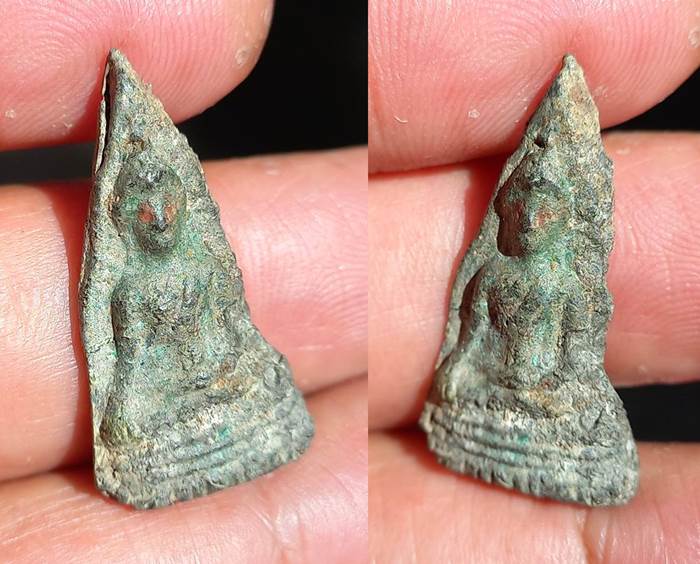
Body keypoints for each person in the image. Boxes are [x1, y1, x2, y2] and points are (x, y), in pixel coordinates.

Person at [0, 1, 367, 561]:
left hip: (218, 378)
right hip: (164, 402)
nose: (159, 218)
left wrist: (247, 366)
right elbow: (129, 367)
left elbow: (231, 333)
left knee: (264, 379)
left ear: (182, 202)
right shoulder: (129, 290)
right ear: (122, 218)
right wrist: (124, 413)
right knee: (127, 429)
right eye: (142, 208)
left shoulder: (203, 265)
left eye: (166, 203)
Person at [368, 0, 700, 561]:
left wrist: (561, 393)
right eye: (520, 210)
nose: (529, 223)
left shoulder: (569, 286)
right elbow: (472, 340)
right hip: (493, 390)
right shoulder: (493, 273)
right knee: (456, 397)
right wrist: (459, 372)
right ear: (507, 211)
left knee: (585, 426)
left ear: (565, 220)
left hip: (549, 395)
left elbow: (578, 361)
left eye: (544, 213)